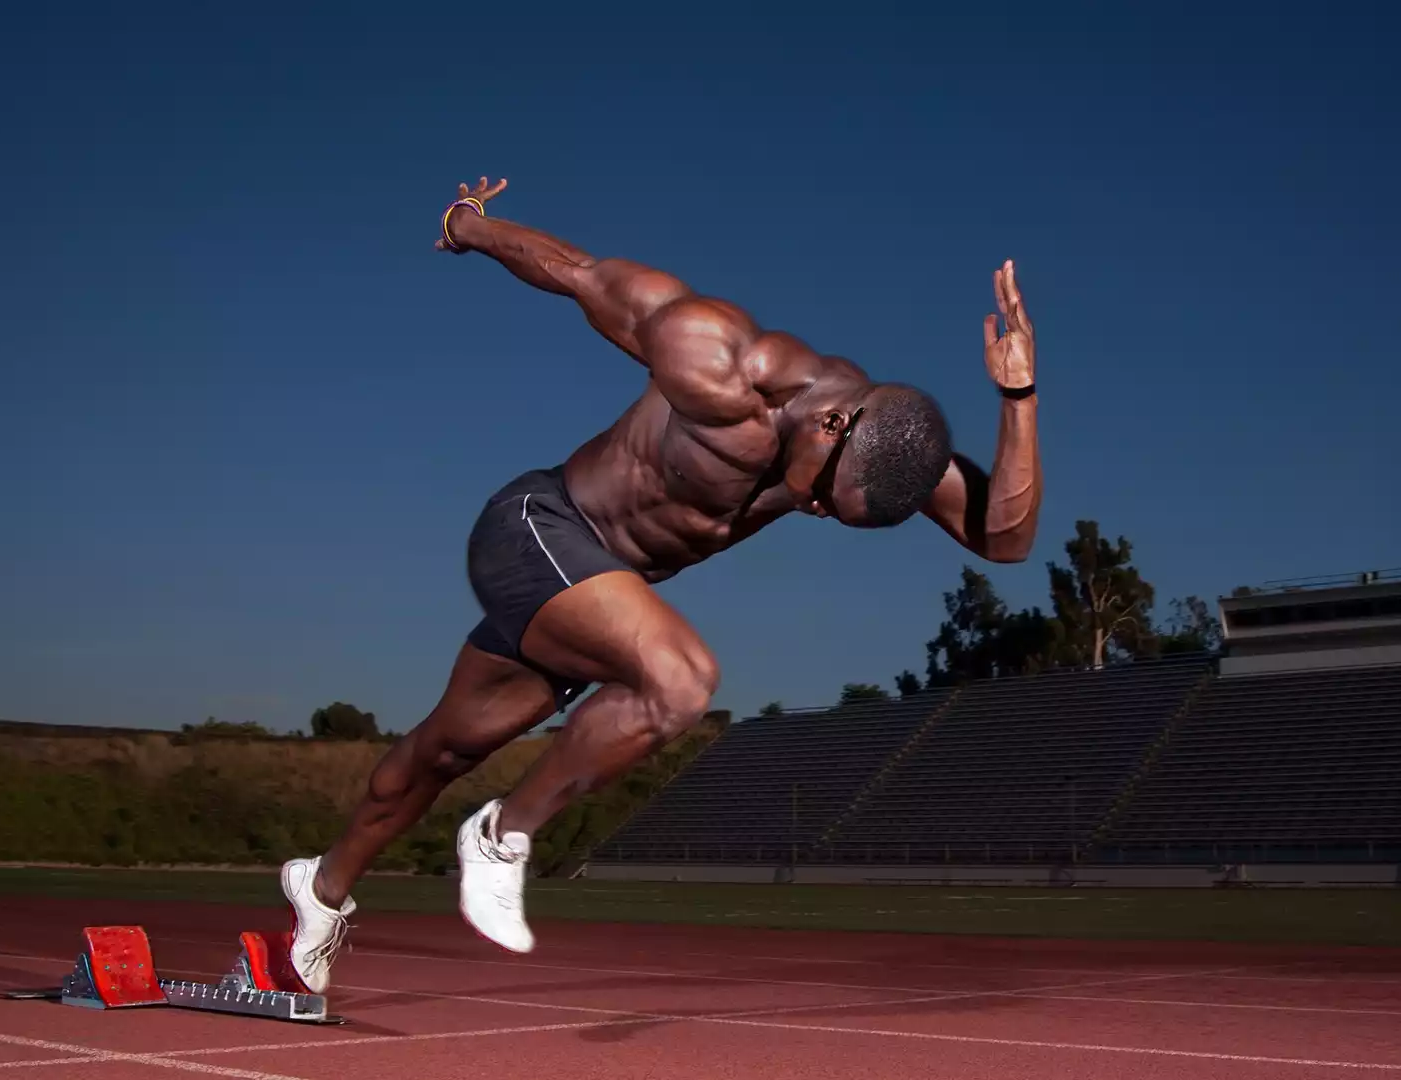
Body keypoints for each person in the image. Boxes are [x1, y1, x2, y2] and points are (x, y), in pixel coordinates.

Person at [279, 176, 1043, 992]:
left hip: (597, 593)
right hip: (538, 528)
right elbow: (577, 272)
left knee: (445, 750)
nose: (816, 510)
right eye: (822, 495)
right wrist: (469, 226)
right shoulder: (715, 356)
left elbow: (1003, 539)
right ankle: (502, 838)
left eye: (834, 515)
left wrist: (1019, 396)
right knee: (681, 680)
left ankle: (321, 891)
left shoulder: (887, 447)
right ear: (830, 422)